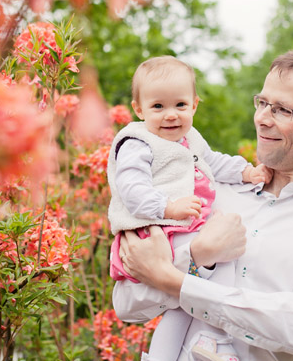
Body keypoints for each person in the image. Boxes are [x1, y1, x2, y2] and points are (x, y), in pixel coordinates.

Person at [112, 45, 293, 361]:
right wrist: (197, 257)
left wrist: (172, 280)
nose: (262, 119)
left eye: (283, 110)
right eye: (262, 102)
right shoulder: (204, 188)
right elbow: (126, 304)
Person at [107, 56, 270, 361]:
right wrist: (169, 206)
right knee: (223, 259)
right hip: (155, 229)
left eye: (180, 105)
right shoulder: (137, 142)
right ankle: (215, 336)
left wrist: (246, 173)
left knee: (182, 301)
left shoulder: (189, 138)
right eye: (158, 107)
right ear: (139, 109)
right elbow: (131, 189)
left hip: (180, 226)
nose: (170, 115)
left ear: (194, 104)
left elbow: (215, 162)